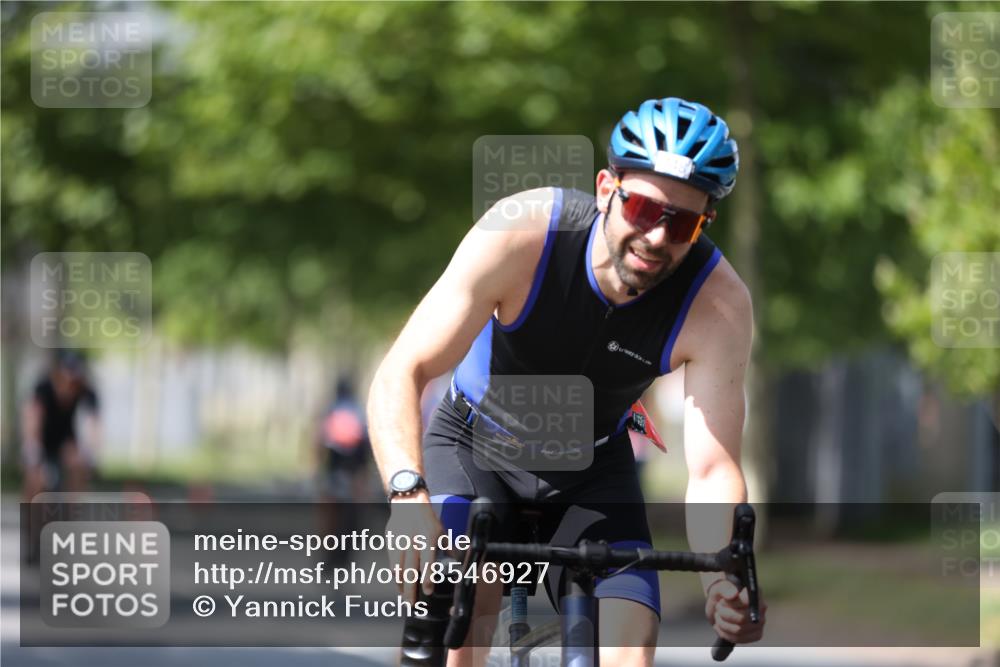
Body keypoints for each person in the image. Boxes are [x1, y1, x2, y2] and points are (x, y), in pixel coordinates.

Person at [368, 97, 767, 666]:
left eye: (682, 222)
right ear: (606, 189)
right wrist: (408, 498)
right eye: (642, 208)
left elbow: (712, 469)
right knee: (458, 606)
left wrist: (721, 580)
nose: (657, 236)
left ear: (706, 223)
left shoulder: (718, 305)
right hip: (475, 446)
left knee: (631, 646)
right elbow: (402, 370)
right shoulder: (524, 232)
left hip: (592, 468)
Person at [21, 350, 101, 499]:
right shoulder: (43, 388)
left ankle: (72, 509)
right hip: (42, 438)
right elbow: (33, 418)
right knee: (35, 477)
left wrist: (88, 453)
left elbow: (93, 423)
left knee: (78, 466)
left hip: (66, 439)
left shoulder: (85, 390)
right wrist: (33, 449)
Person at [316, 375, 371, 562]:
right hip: (354, 470)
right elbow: (365, 445)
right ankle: (347, 553)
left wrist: (317, 468)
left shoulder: (331, 410)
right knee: (354, 513)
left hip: (334, 467)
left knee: (330, 513)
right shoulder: (358, 410)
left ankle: (327, 552)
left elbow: (319, 442)